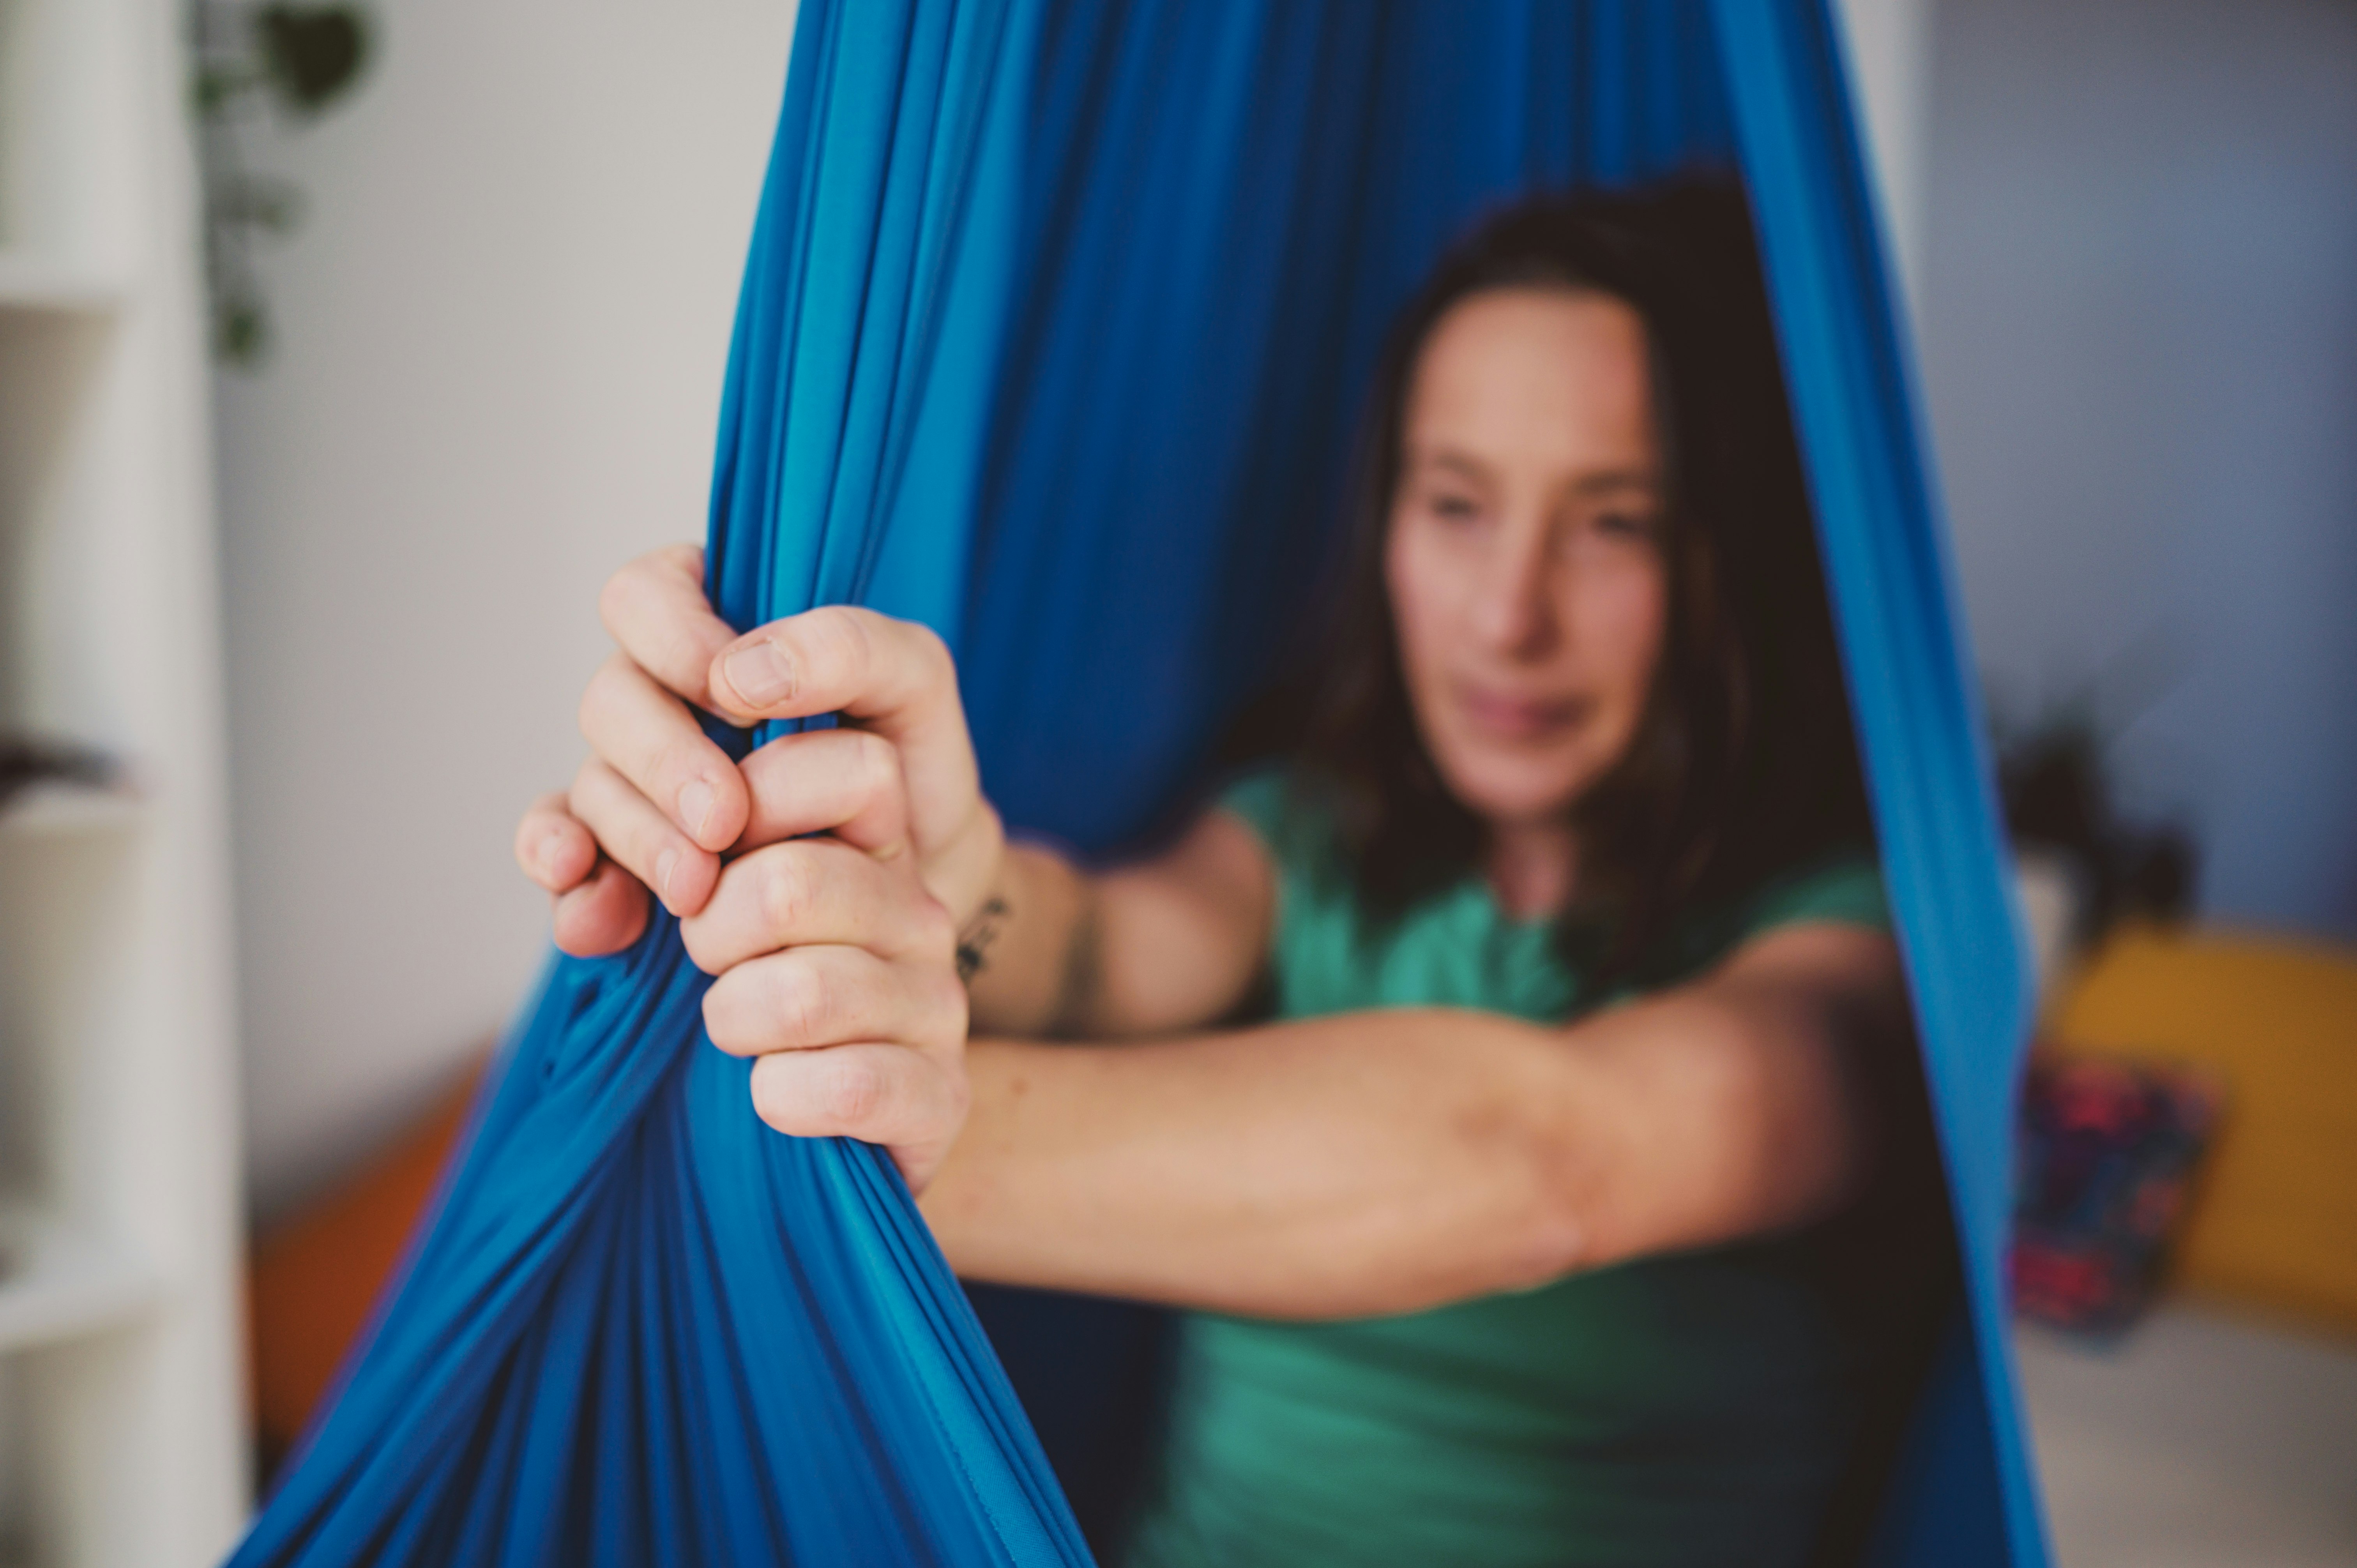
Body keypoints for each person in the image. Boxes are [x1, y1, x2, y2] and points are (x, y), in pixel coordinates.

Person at [514, 182, 1949, 1567]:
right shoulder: (1312, 836)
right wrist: (935, 864)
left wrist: (884, 1141)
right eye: (1454, 503)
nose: (1510, 617)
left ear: (1736, 562)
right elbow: (1094, 956)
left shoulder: (1865, 962)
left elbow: (1542, 1166)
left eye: (1615, 520)